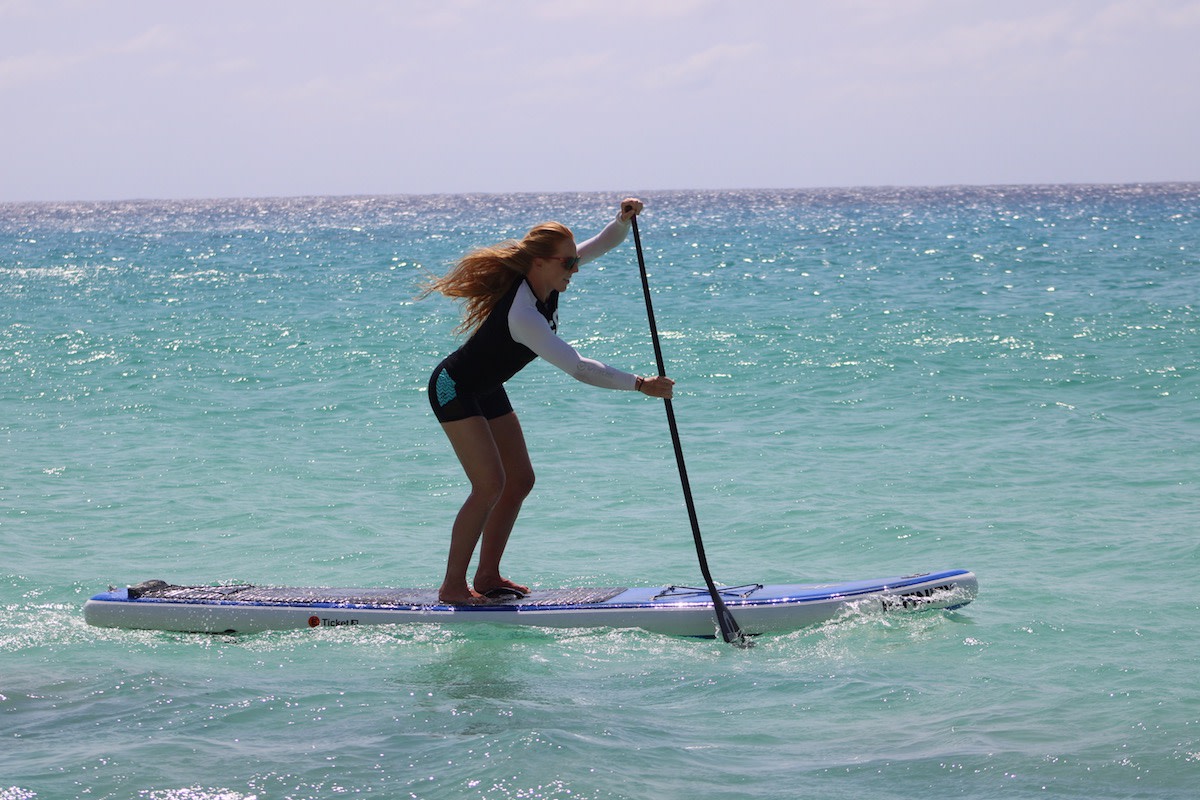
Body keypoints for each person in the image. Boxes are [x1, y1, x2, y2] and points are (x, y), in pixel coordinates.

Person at [423, 198, 674, 604]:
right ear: (539, 262)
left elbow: (600, 244)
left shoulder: (550, 276)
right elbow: (577, 367)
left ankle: (487, 577)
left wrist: (622, 221)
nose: (574, 269)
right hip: (454, 386)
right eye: (567, 264)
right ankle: (453, 585)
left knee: (519, 480)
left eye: (574, 262)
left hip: (486, 386)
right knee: (488, 485)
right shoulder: (522, 313)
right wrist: (640, 384)